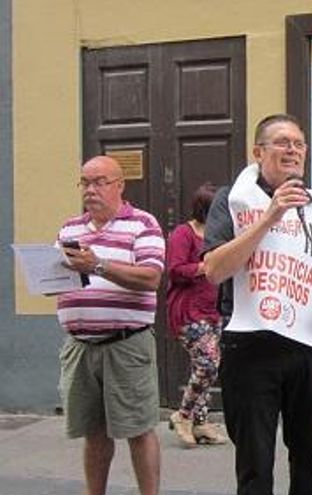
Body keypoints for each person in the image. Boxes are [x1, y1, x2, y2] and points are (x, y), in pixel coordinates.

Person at [203, 113, 312, 495]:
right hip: (251, 346)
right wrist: (270, 216)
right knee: (255, 466)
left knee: (310, 460)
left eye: (299, 144)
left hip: (306, 345)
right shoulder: (233, 200)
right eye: (282, 142)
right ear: (258, 152)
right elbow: (214, 270)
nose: (293, 150)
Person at [56, 156, 165, 495]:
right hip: (79, 345)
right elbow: (59, 276)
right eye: (85, 183)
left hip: (126, 343)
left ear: (120, 185)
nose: (90, 190)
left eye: (99, 182)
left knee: (138, 429)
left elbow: (150, 278)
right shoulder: (69, 229)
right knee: (93, 431)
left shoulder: (143, 224)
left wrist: (98, 265)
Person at [165, 182, 228, 447]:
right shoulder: (184, 233)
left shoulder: (218, 236)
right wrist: (206, 267)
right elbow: (175, 269)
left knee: (202, 366)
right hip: (189, 311)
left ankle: (200, 423)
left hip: (213, 310)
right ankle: (183, 415)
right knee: (208, 363)